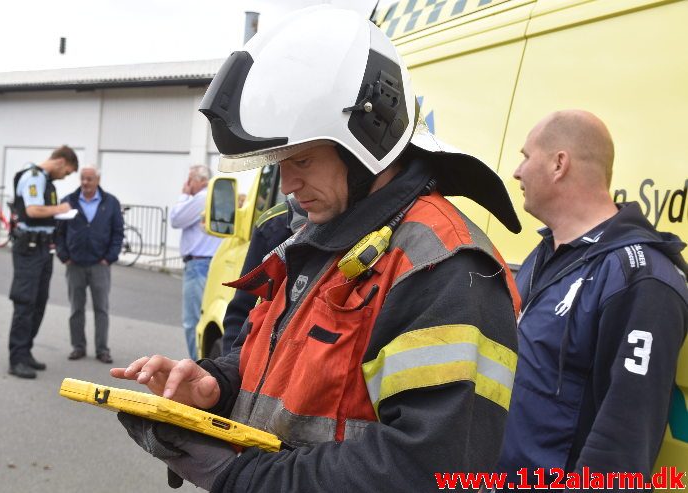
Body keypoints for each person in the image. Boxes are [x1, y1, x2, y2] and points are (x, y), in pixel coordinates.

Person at [110, 6, 522, 491]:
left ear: (368, 139)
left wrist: (239, 477)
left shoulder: (442, 269)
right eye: (282, 162)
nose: (287, 183)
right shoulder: (326, 238)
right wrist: (214, 387)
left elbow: (430, 469)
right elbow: (268, 365)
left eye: (302, 158)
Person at [496, 110, 688, 485]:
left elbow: (623, 441)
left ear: (558, 164)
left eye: (525, 156)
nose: (517, 172)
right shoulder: (548, 252)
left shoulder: (643, 278)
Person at [7, 145, 78, 379]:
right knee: (25, 302)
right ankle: (16, 359)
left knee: (38, 303)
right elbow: (34, 210)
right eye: (67, 172)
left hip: (42, 249)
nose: (65, 176)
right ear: (60, 161)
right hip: (29, 249)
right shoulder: (33, 177)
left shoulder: (46, 182)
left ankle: (25, 351)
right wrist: (62, 208)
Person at [220, 197, 306, 354]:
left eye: (306, 170)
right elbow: (241, 313)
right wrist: (229, 372)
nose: (287, 188)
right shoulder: (274, 225)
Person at [56, 164, 124, 364]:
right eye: (83, 179)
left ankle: (102, 349)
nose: (85, 183)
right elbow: (58, 232)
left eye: (89, 179)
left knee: (101, 309)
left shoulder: (110, 203)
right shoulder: (68, 201)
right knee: (76, 308)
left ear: (97, 180)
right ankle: (78, 347)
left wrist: (109, 257)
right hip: (74, 264)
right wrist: (63, 255)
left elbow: (117, 233)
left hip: (99, 265)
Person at [170, 164, 222, 360]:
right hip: (209, 263)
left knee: (192, 321)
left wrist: (184, 196)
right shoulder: (215, 196)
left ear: (200, 180)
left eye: (190, 179)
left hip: (198, 264)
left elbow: (176, 219)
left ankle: (195, 364)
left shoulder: (201, 197)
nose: (187, 184)